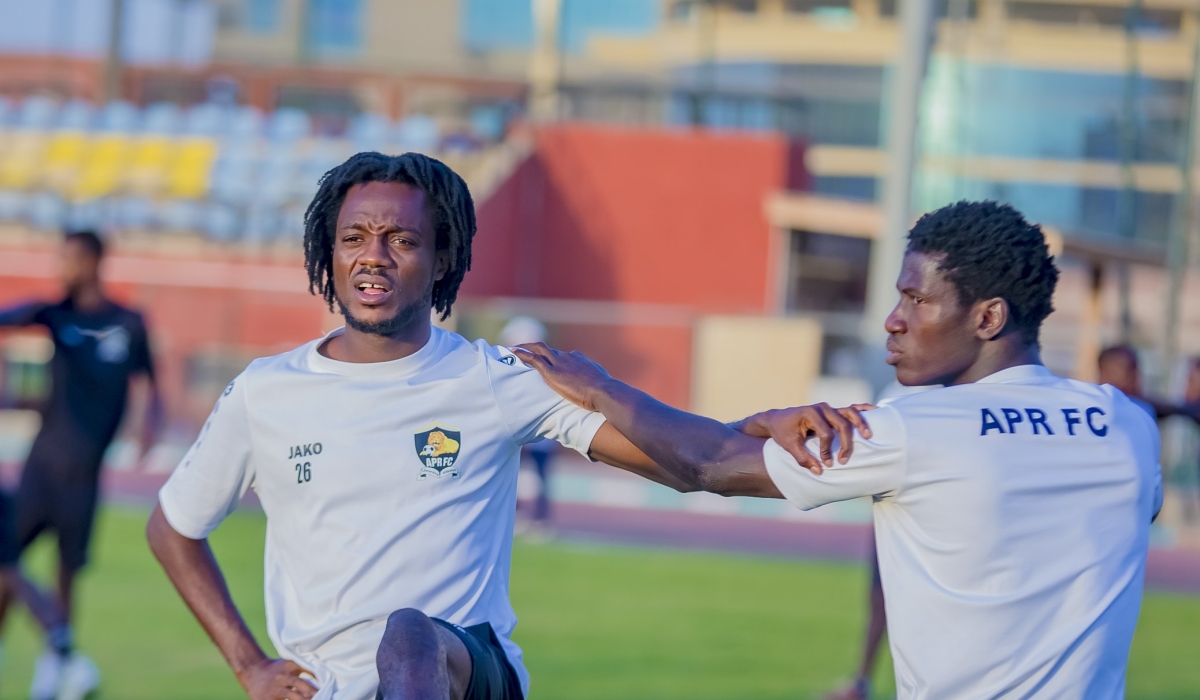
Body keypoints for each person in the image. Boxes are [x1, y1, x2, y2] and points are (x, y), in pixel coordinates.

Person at [515, 201, 1161, 698]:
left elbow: (705, 464)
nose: (894, 318)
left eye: (916, 298)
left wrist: (597, 387)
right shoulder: (1129, 428)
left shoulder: (913, 426)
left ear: (988, 318)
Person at [146, 152, 717, 700]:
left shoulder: (493, 377)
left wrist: (764, 436)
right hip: (330, 687)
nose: (373, 256)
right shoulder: (264, 391)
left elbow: (686, 459)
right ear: (330, 251)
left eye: (401, 240)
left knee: (411, 636)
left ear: (442, 258)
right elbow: (173, 527)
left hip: (469, 669)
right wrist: (250, 666)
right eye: (353, 238)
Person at [0, 230, 162, 700]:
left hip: (86, 474)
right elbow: (10, 317)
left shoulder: (128, 323)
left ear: (93, 261)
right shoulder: (53, 314)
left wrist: (147, 425)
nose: (61, 267)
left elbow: (150, 382)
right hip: (40, 467)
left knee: (67, 572)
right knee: (7, 561)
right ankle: (56, 651)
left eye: (69, 258)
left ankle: (55, 669)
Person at [498, 317, 556, 530]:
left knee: (539, 478)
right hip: (516, 434)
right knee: (512, 477)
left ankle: (540, 518)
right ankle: (518, 516)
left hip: (541, 436)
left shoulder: (548, 372)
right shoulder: (504, 371)